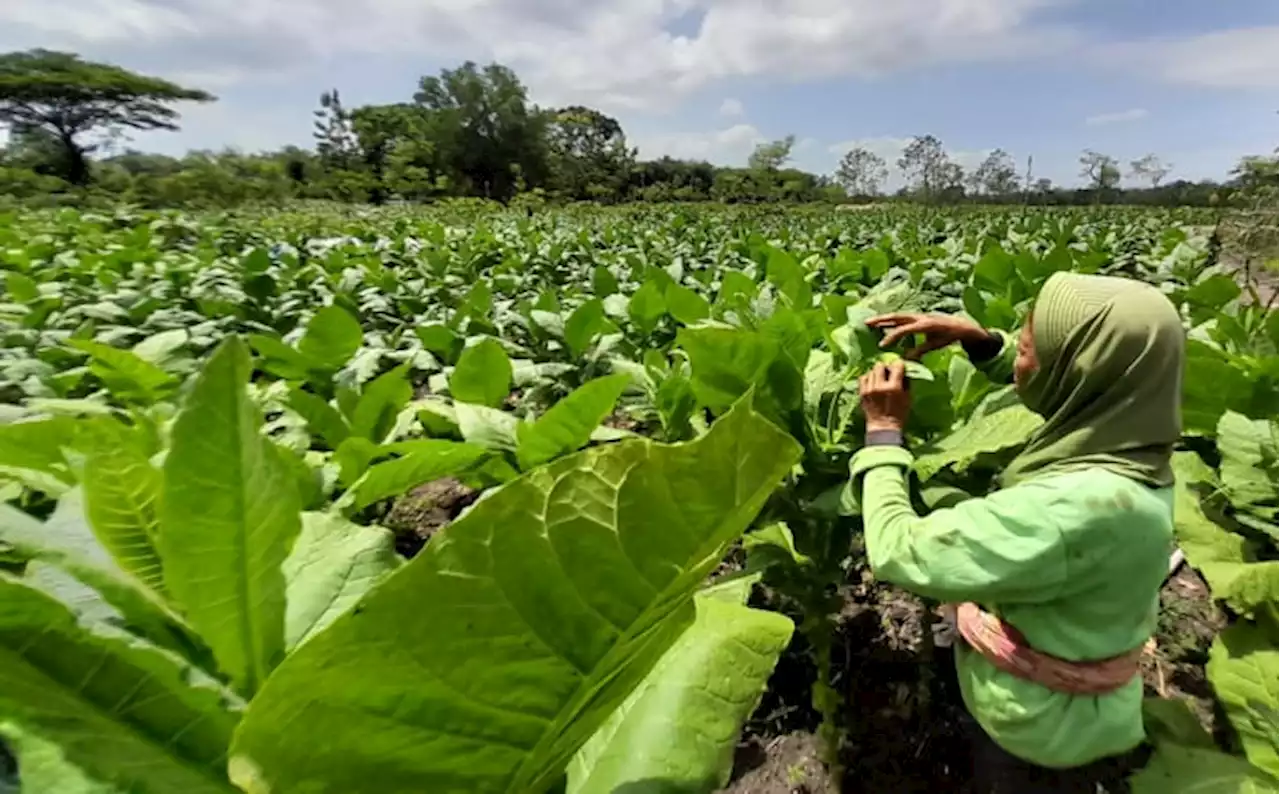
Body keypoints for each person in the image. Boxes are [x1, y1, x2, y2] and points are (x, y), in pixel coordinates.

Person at [850, 272, 1184, 793]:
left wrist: (883, 435)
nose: (1019, 359)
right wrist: (980, 342)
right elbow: (1043, 381)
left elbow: (899, 552)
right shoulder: (1132, 436)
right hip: (1093, 700)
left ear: (1076, 374)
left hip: (1038, 731)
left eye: (1027, 348)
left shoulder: (1072, 509)